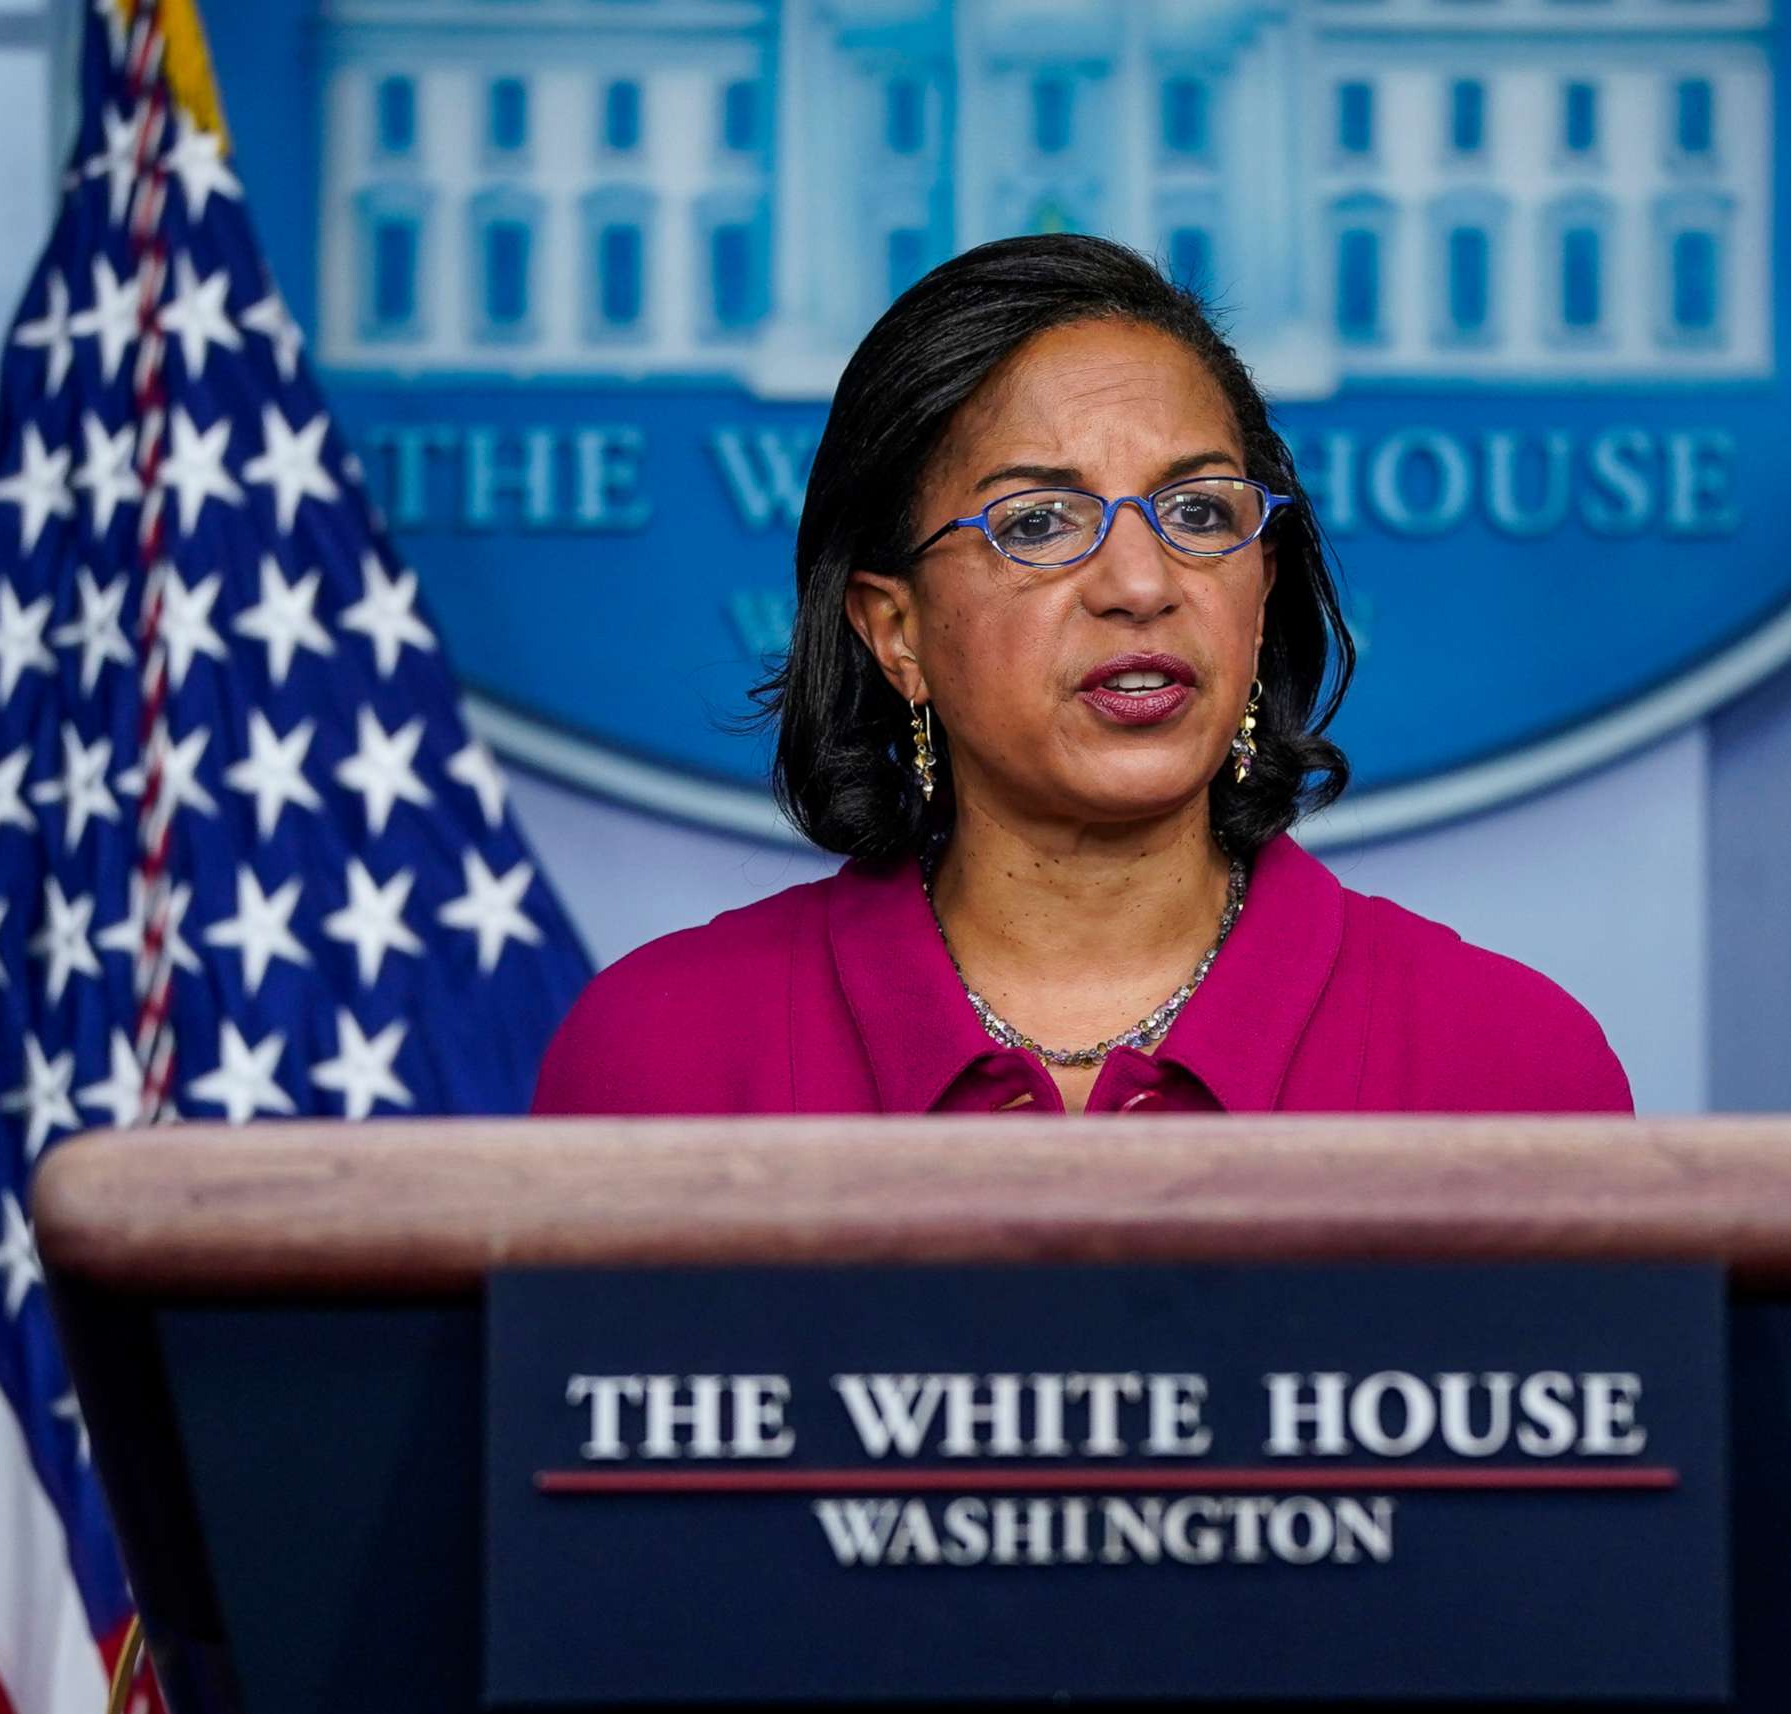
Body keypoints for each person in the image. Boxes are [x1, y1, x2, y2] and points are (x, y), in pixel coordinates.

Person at [531, 233, 1632, 1117]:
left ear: (1262, 591)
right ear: (895, 630)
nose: (1141, 584)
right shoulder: (659, 1058)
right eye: (1041, 520)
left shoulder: (1511, 1066)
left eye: (1201, 512)